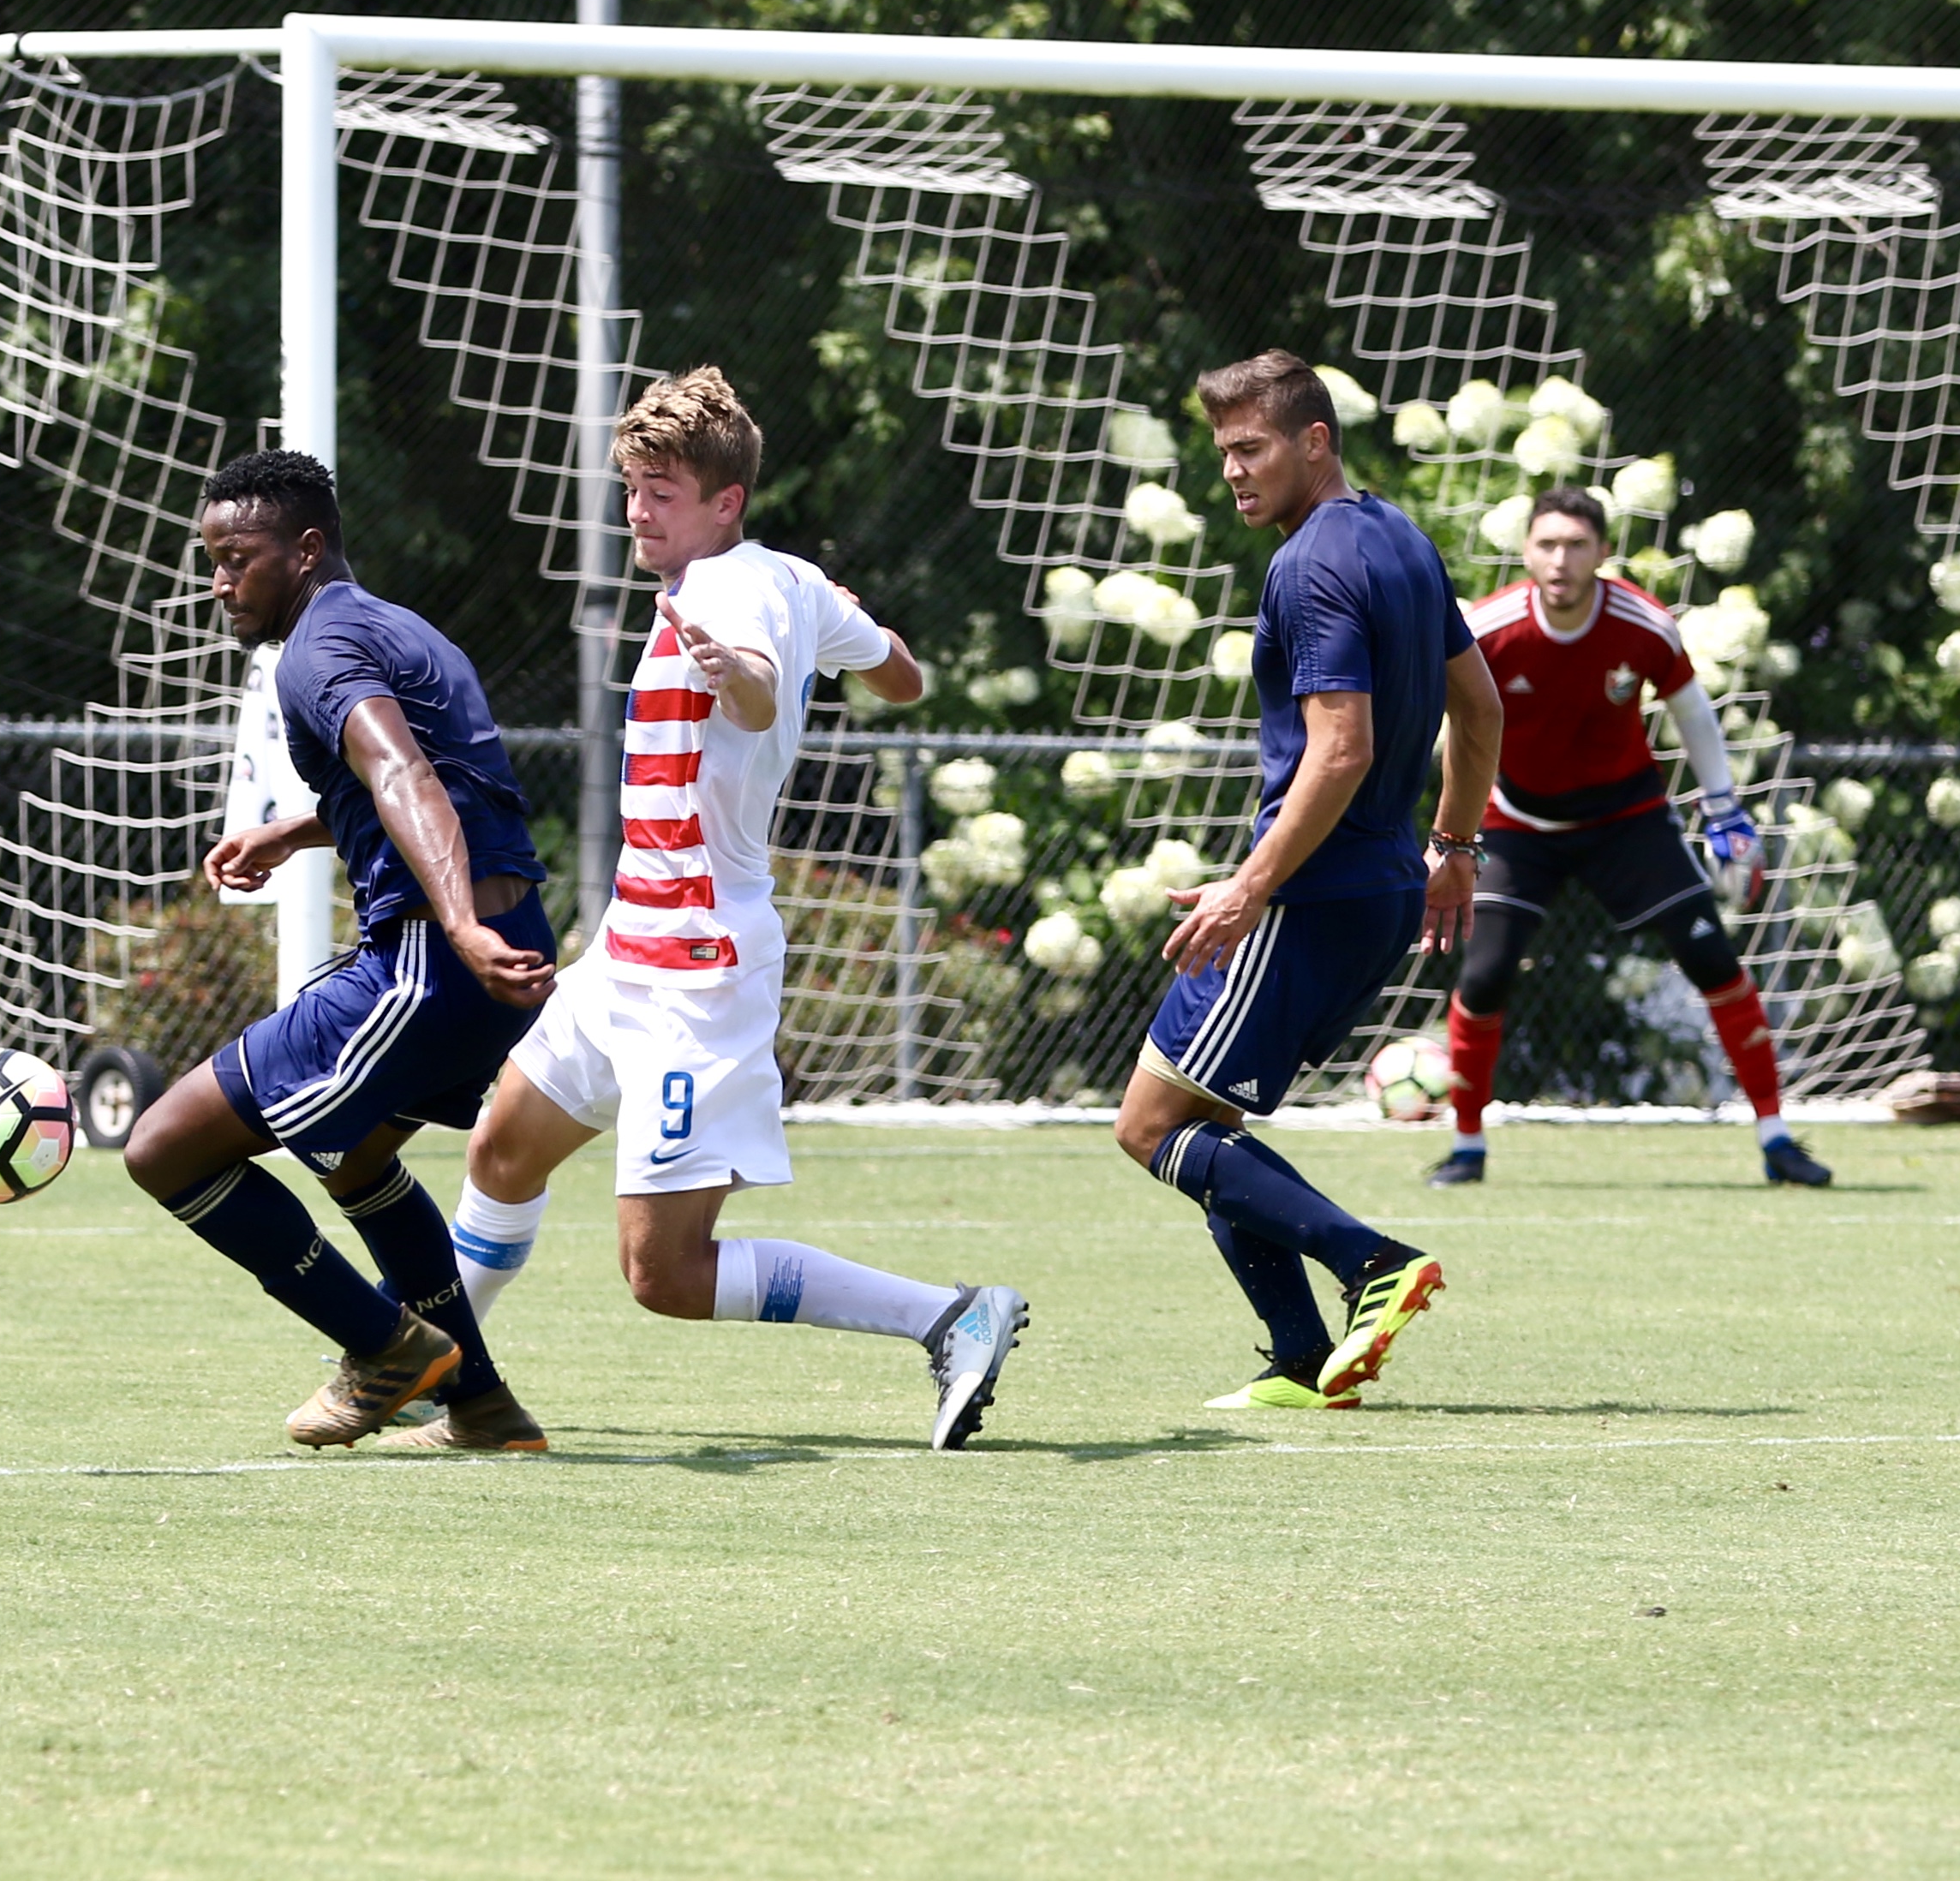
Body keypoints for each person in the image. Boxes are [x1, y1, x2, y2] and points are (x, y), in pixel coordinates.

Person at [439, 367, 1031, 1452]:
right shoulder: (793, 580)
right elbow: (903, 676)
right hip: (628, 952)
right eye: (632, 488)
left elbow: (753, 681)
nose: (638, 512)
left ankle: (950, 1316)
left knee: (662, 1275)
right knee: (501, 1154)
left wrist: (747, 679)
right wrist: (831, 642)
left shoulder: (734, 588)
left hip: (696, 970)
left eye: (662, 491)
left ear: (727, 503)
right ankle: (443, 1385)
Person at [120, 447, 562, 1454]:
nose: (221, 582)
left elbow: (404, 774)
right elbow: (426, 778)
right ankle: (484, 1406)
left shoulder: (315, 652)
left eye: (239, 559)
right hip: (498, 949)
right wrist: (299, 830)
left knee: (163, 1148)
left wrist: (453, 925)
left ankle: (386, 1349)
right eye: (213, 561)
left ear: (306, 549)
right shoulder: (395, 627)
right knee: (358, 1154)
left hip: (433, 958)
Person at [1109, 349, 1505, 1413]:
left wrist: (1247, 888)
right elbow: (1480, 710)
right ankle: (1297, 1357)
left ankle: (1373, 1263)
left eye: (1252, 449)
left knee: (1149, 1126)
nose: (1233, 472)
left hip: (1306, 895)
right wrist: (1455, 848)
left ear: (1313, 442)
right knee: (1211, 1125)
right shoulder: (1403, 542)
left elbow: (1341, 750)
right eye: (1223, 453)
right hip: (1373, 890)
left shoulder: (1310, 565)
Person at [1431, 484, 1833, 1189]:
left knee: (1711, 957)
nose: (1560, 560)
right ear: (1526, 552)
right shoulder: (1487, 631)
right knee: (1485, 974)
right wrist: (1446, 832)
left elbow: (1692, 711)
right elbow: (1443, 730)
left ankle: (1776, 1138)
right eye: (1547, 545)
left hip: (1627, 819)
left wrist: (1725, 809)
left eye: (1576, 545)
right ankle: (1466, 1146)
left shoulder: (1642, 624)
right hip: (1518, 824)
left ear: (1603, 554)